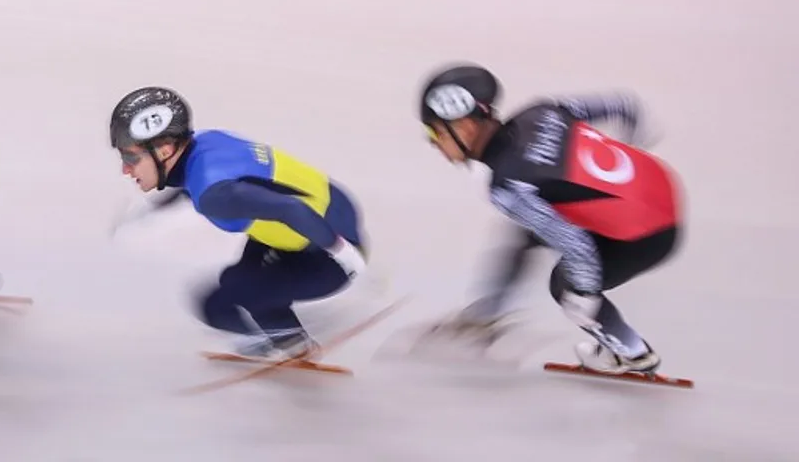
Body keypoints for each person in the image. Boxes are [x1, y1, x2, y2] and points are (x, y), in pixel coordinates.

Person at [417, 63, 683, 375]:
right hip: (661, 184)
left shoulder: (508, 185)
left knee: (566, 285)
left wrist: (583, 299)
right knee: (527, 232)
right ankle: (487, 315)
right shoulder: (539, 112)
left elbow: (576, 246)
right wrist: (629, 156)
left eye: (433, 132)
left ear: (464, 127)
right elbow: (623, 105)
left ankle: (632, 352)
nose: (433, 144)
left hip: (650, 235)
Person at [108, 86, 369, 360]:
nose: (126, 170)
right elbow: (198, 182)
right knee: (234, 284)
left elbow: (290, 208)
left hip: (325, 249)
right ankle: (287, 339)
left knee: (219, 304)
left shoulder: (214, 194)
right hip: (331, 210)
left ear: (165, 150)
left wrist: (347, 257)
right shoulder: (206, 143)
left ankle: (293, 341)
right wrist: (151, 211)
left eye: (130, 158)